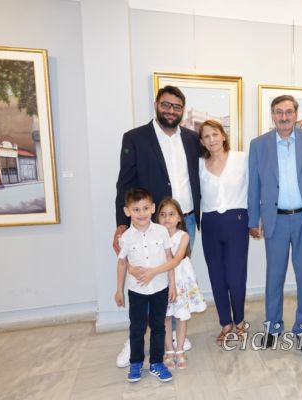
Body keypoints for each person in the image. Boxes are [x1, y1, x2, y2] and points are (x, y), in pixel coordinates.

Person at [113, 85, 200, 367]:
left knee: (175, 280)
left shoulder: (191, 138)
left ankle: (171, 335)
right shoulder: (135, 138)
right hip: (150, 224)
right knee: (145, 283)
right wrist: (121, 224)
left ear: (182, 110)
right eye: (166, 105)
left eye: (177, 106)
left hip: (185, 222)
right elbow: (124, 185)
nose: (171, 111)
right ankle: (135, 340)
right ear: (156, 105)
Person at [248, 95, 302, 351]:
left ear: (295, 114)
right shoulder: (259, 145)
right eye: (278, 112)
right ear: (272, 115)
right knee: (274, 277)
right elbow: (254, 185)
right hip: (275, 220)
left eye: (288, 112)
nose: (283, 117)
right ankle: (273, 328)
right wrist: (253, 219)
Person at [114, 187, 176, 383]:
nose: (141, 214)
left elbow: (169, 258)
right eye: (136, 209)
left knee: (158, 326)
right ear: (127, 211)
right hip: (137, 291)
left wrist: (173, 285)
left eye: (145, 208)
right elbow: (122, 263)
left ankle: (157, 362)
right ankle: (136, 363)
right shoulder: (126, 237)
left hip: (160, 288)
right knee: (137, 327)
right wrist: (119, 289)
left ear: (153, 208)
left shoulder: (162, 232)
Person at [198, 120, 249, 345]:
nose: (212, 140)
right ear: (202, 142)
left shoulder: (241, 158)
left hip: (237, 221)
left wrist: (257, 218)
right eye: (206, 136)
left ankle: (240, 322)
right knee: (216, 275)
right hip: (210, 223)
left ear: (223, 135)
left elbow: (254, 187)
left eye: (215, 134)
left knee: (236, 276)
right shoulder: (199, 164)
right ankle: (225, 324)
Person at [155, 197, 206, 370]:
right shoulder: (156, 236)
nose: (167, 218)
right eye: (163, 215)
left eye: (171, 214)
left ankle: (180, 350)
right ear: (158, 218)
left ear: (179, 218)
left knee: (181, 316)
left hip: (180, 280)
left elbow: (175, 260)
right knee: (166, 316)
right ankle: (169, 350)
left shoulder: (183, 236)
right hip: (163, 279)